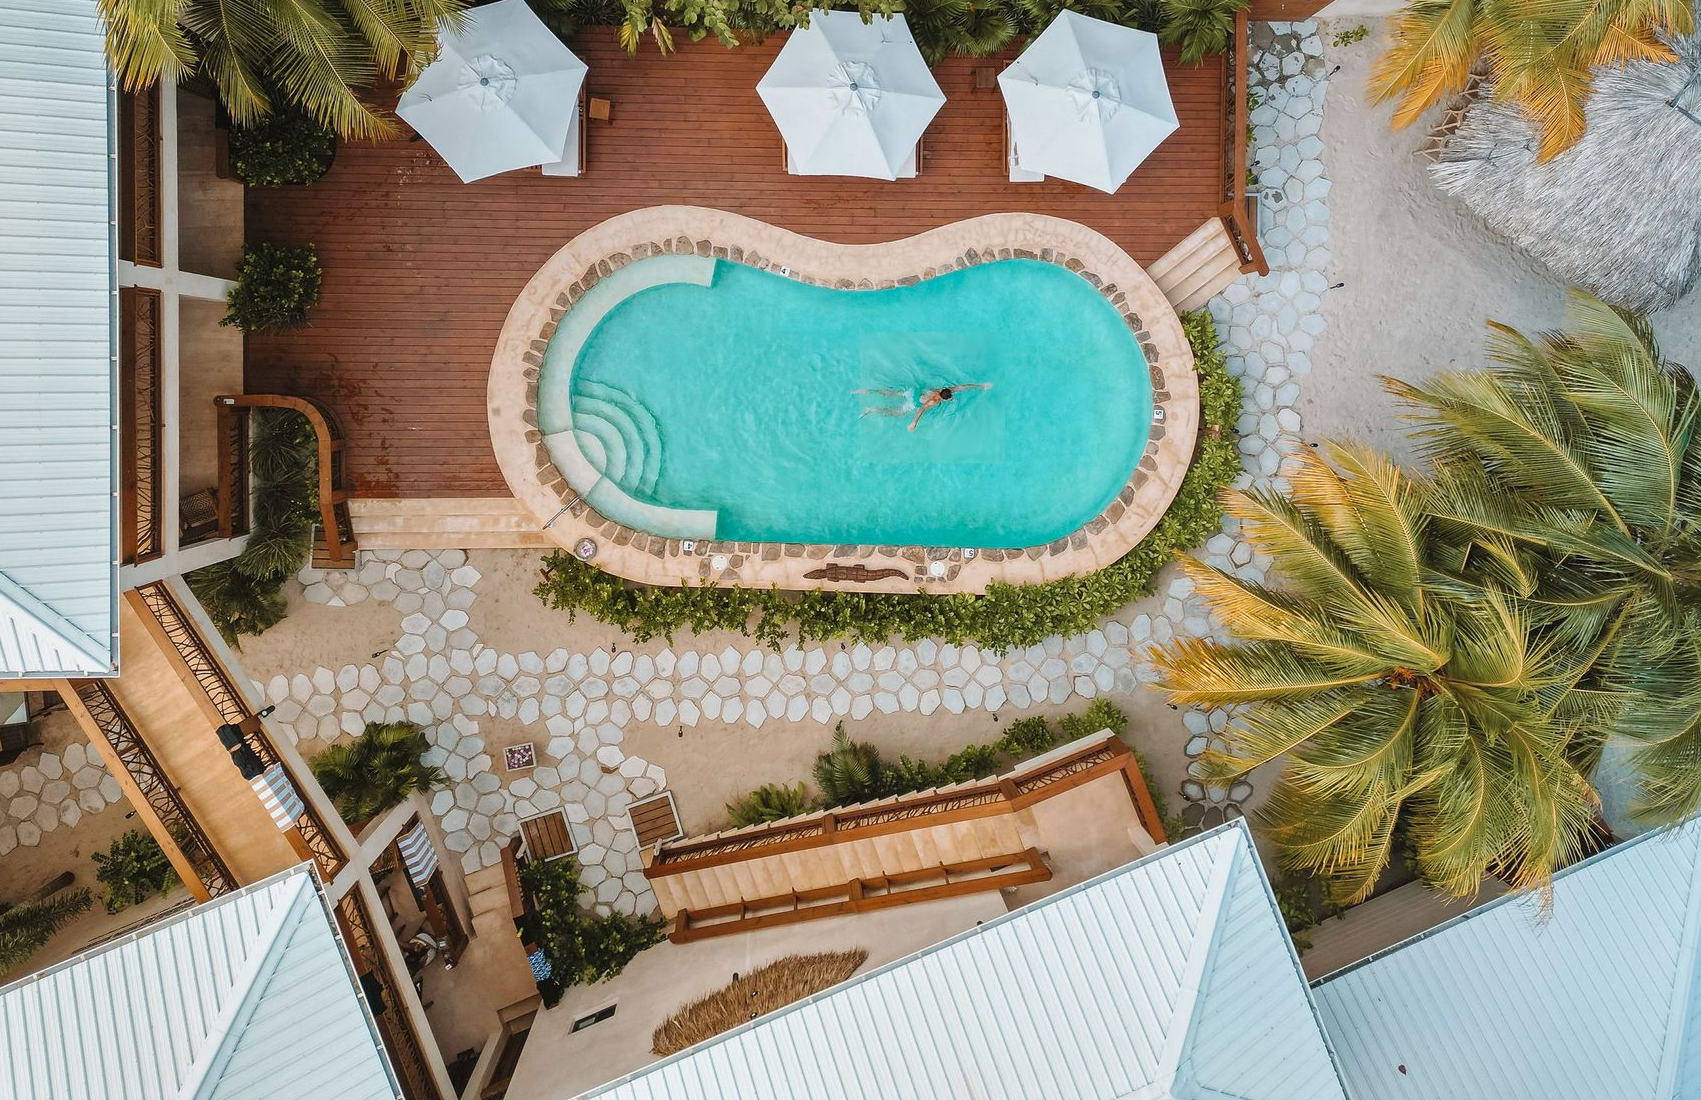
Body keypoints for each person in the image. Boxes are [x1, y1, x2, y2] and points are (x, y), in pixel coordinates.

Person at [856, 383, 991, 431]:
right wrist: (914, 423)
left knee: (893, 393)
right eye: (950, 398)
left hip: (913, 391)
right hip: (913, 402)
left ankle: (868, 391)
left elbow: (962, 387)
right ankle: (871, 409)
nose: (952, 398)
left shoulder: (944, 390)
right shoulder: (935, 401)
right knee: (896, 413)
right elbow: (921, 409)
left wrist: (980, 386)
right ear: (944, 398)